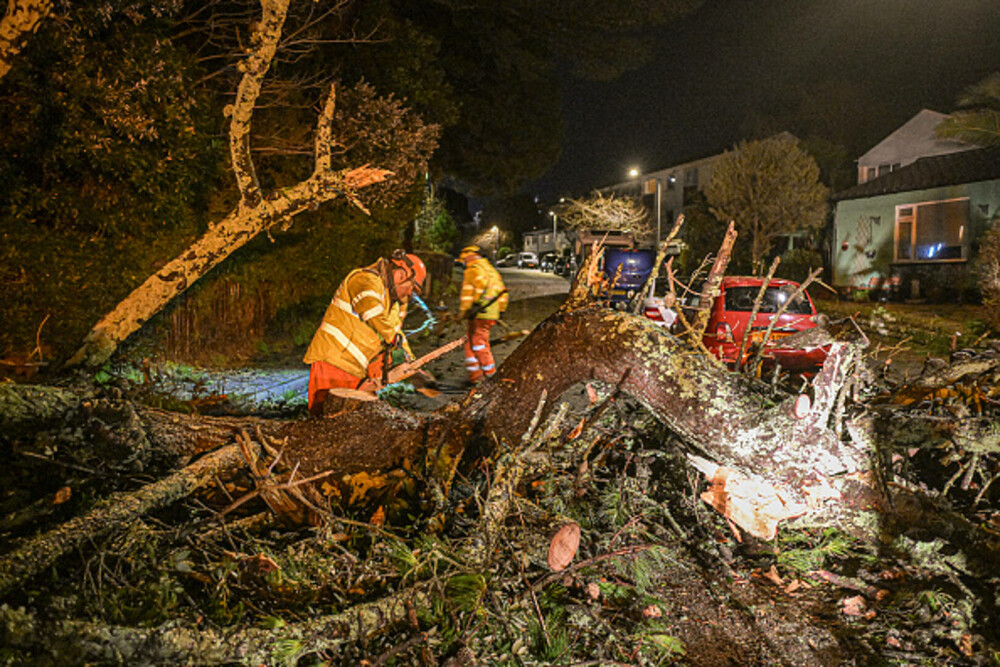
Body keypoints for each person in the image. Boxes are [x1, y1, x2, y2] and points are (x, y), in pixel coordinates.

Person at [303, 249, 426, 417]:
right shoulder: (364, 279)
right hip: (333, 362)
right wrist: (394, 344)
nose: (409, 295)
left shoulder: (392, 303)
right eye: (411, 288)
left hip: (357, 372)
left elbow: (397, 334)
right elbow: (371, 311)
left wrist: (411, 363)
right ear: (401, 275)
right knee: (322, 423)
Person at [457, 244, 509, 384]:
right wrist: (501, 310)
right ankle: (475, 375)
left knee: (479, 343)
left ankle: (490, 374)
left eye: (464, 259)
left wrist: (466, 310)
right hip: (491, 312)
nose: (464, 262)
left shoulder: (473, 269)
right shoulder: (491, 270)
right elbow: (502, 292)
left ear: (469, 256)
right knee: (470, 342)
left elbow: (470, 293)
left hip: (479, 312)